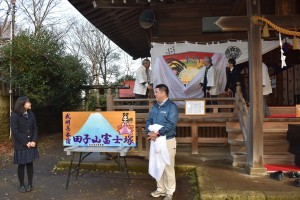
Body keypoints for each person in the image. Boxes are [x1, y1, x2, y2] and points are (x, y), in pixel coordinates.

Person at [146, 84, 179, 200]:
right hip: (155, 140)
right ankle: (160, 189)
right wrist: (149, 131)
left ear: (163, 93)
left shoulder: (172, 107)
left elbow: (171, 124)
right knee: (157, 165)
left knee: (168, 166)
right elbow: (149, 120)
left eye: (156, 92)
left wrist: (158, 133)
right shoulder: (155, 106)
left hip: (167, 140)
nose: (154, 94)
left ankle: (169, 192)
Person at [10, 96, 39, 193]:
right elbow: (15, 132)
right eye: (28, 102)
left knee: (30, 164)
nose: (30, 103)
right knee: (21, 165)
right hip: (21, 145)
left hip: (31, 144)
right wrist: (26, 142)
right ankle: (22, 185)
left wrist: (34, 141)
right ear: (22, 104)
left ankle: (30, 184)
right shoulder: (14, 115)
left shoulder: (31, 114)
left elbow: (35, 128)